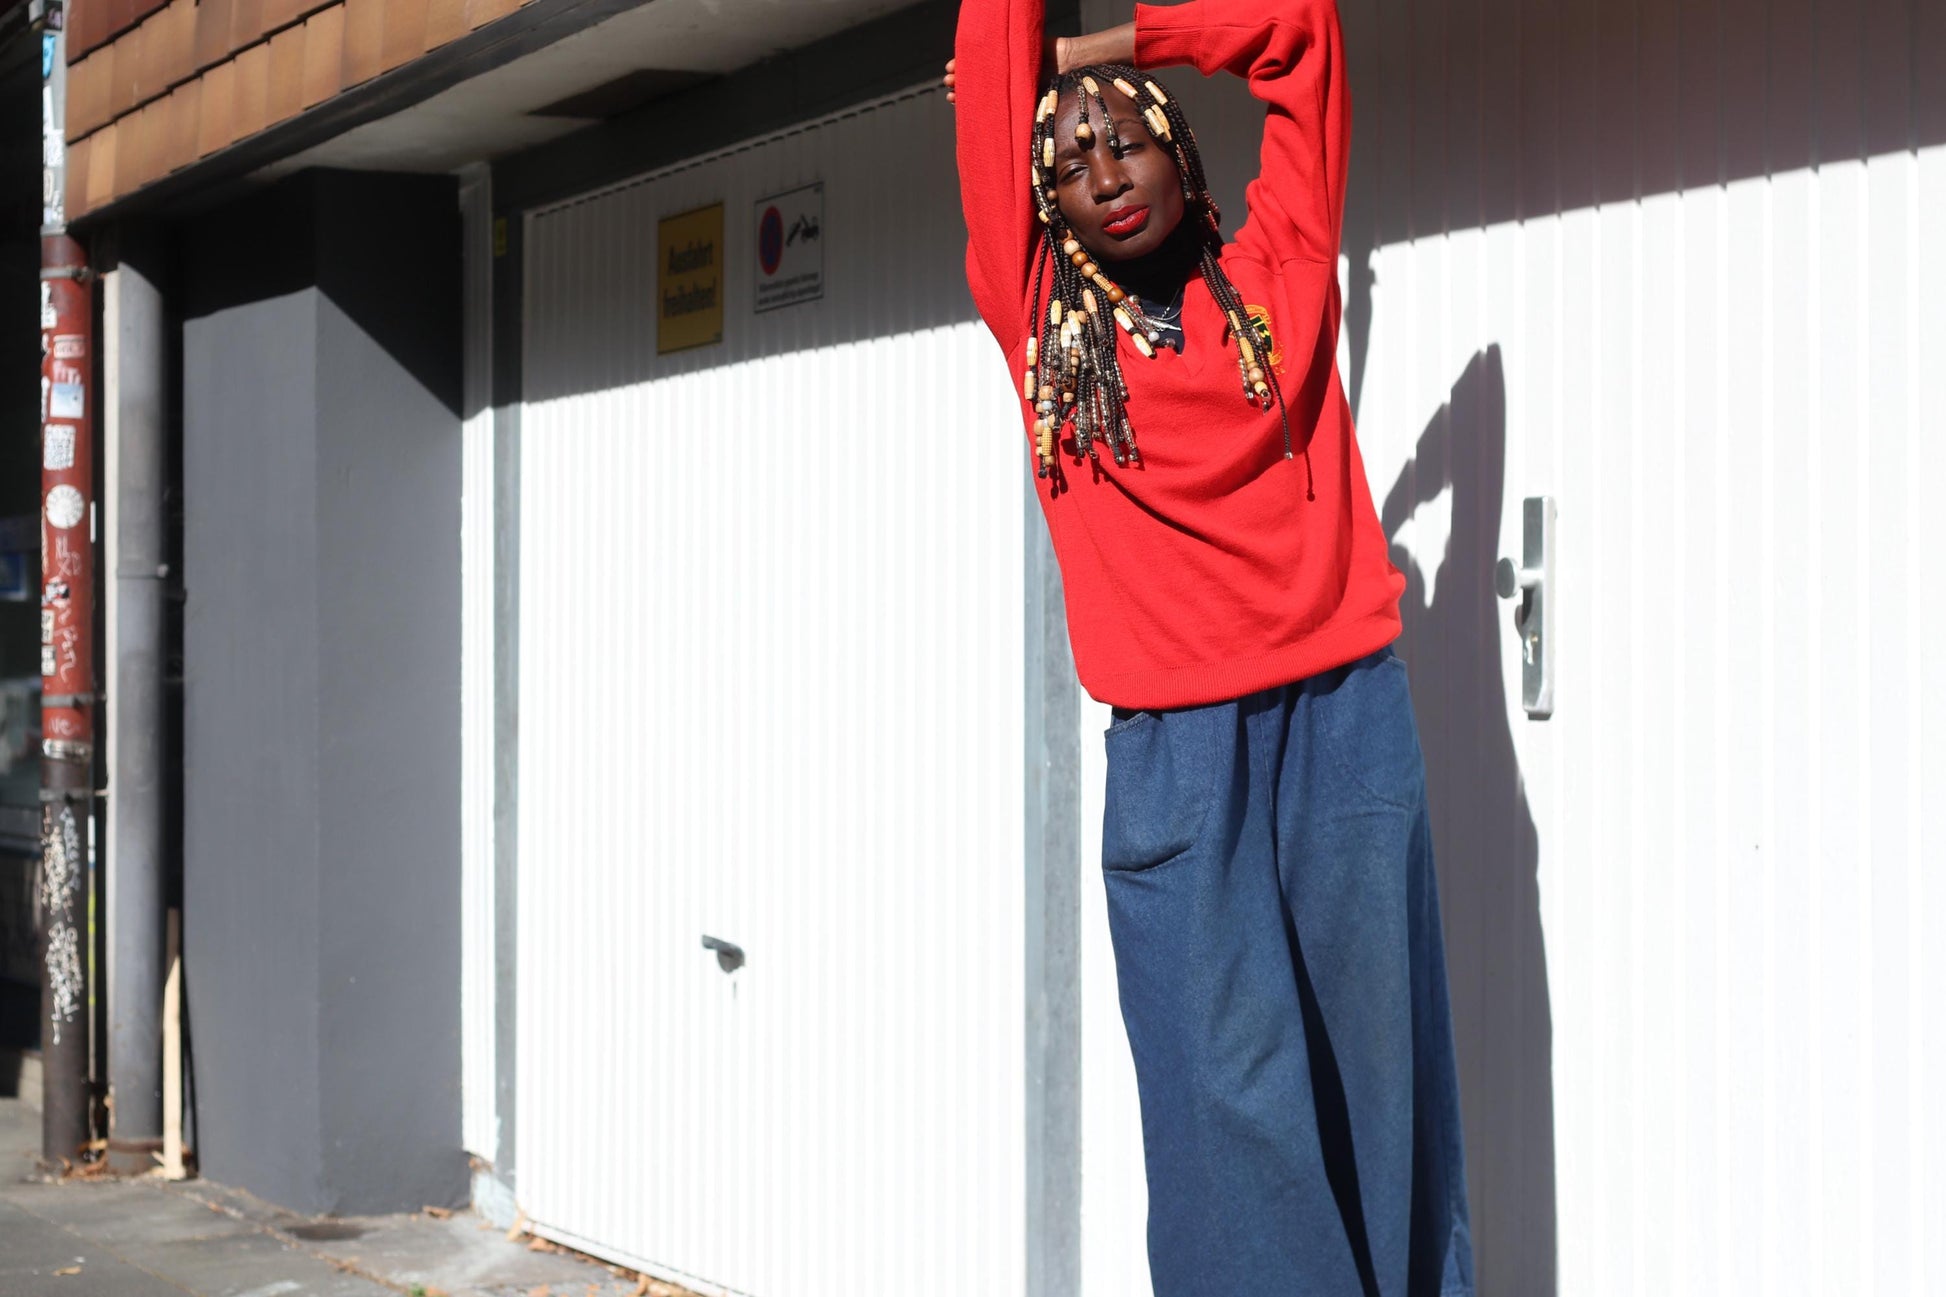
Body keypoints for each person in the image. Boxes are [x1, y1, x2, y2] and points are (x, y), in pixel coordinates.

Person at [946, 2, 1475, 1293]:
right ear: (1045, 212)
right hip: (1178, 759)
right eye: (1064, 164)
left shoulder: (1284, 266)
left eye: (1119, 141)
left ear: (1181, 156)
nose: (1098, 174)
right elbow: (984, 60)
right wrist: (1033, 60)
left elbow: (1295, 34)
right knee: (1220, 1093)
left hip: (1345, 721)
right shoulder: (1039, 328)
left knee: (1376, 1067)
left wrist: (1093, 51)